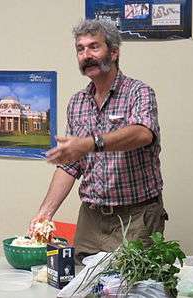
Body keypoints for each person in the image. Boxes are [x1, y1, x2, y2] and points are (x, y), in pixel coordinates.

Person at [29, 19, 168, 265]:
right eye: (80, 49)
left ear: (114, 52)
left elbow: (143, 133)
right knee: (82, 284)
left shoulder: (139, 92)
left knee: (131, 287)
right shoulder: (78, 102)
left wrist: (90, 143)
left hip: (136, 217)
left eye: (94, 47)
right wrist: (45, 213)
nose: (86, 55)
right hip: (91, 219)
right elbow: (71, 165)